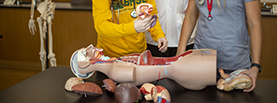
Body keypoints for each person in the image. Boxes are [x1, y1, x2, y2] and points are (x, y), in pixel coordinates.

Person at [71, 44, 217, 90]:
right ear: (85, 64)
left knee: (207, 59)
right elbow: (141, 74)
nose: (92, 48)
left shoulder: (114, 67)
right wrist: (170, 67)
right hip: (178, 68)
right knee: (209, 66)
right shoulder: (115, 72)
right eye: (86, 52)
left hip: (177, 64)